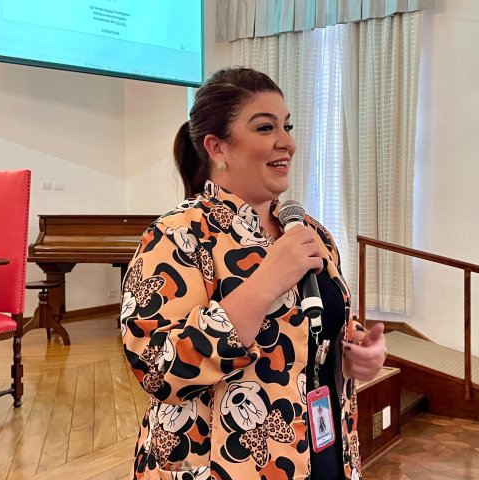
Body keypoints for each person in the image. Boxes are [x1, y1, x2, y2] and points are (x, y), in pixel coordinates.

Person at [120, 66, 387, 480]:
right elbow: (157, 371)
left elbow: (311, 335)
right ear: (217, 147)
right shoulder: (176, 235)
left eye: (287, 126)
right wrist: (263, 284)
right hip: (220, 464)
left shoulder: (309, 231)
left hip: (323, 453)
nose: (287, 142)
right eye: (265, 127)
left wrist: (356, 355)